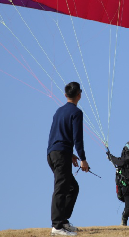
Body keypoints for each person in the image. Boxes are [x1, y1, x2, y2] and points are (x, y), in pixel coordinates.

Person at [47, 82, 90, 236]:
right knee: (61, 188)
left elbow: (54, 134)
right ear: (79, 94)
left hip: (53, 154)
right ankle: (57, 227)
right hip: (60, 155)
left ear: (65, 95)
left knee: (72, 187)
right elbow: (77, 138)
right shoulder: (76, 112)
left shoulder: (58, 111)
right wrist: (83, 159)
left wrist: (69, 153)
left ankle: (63, 220)